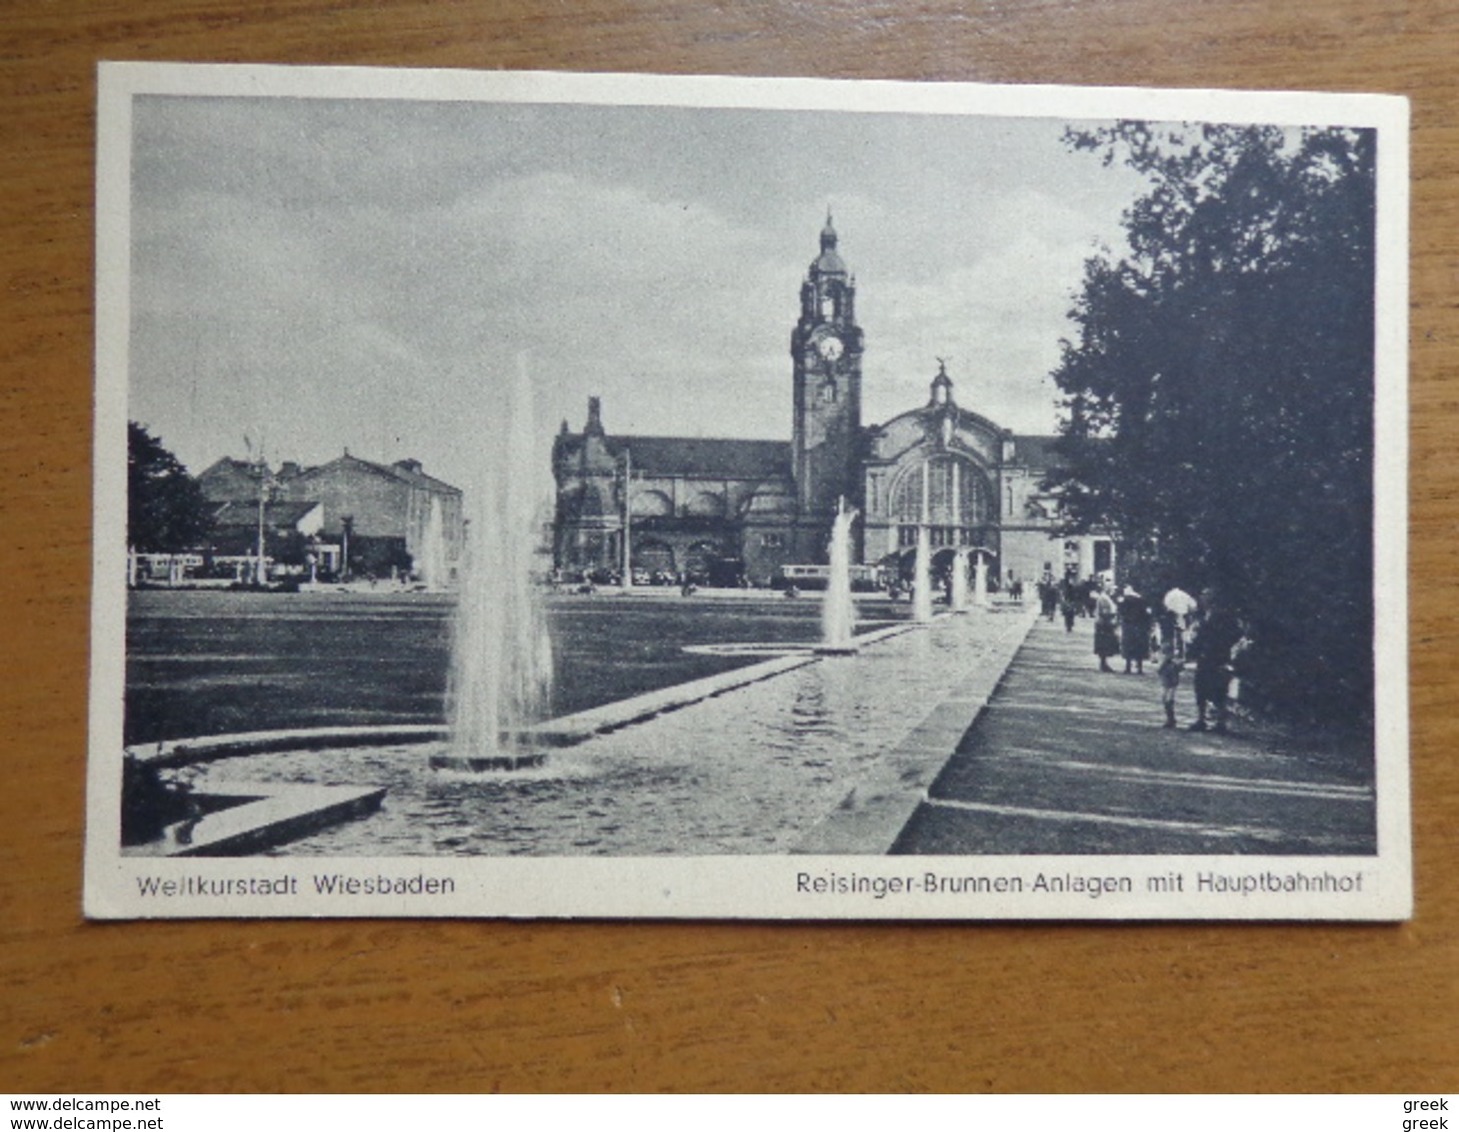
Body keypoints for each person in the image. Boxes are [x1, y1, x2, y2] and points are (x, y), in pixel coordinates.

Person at [1187, 589, 1243, 733]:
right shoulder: (1204, 615)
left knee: (1217, 688)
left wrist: (1223, 647)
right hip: (1207, 656)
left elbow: (1235, 633)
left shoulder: (1222, 615)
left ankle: (1219, 722)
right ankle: (1203, 720)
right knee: (1202, 687)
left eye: (1204, 596)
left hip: (1217, 656)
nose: (1201, 598)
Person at [1118, 585, 1152, 675]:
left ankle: (1128, 667)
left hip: (1128, 626)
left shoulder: (1125, 600)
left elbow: (1121, 612)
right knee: (1139, 647)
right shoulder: (1142, 601)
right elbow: (1147, 614)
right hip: (1140, 627)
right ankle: (1139, 668)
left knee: (1128, 646)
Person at [1093, 580, 1120, 672]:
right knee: (1104, 644)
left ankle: (1104, 663)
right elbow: (1105, 612)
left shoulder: (1106, 598)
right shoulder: (1104, 598)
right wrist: (1112, 616)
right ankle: (1103, 664)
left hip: (1104, 622)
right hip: (1104, 623)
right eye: (1111, 589)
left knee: (1105, 644)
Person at [1157, 643, 1184, 729]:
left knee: (1169, 700)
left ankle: (1171, 719)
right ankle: (1170, 718)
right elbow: (1159, 670)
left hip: (1172, 684)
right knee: (1165, 699)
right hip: (1166, 683)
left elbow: (1180, 669)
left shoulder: (1173, 663)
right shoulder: (1164, 662)